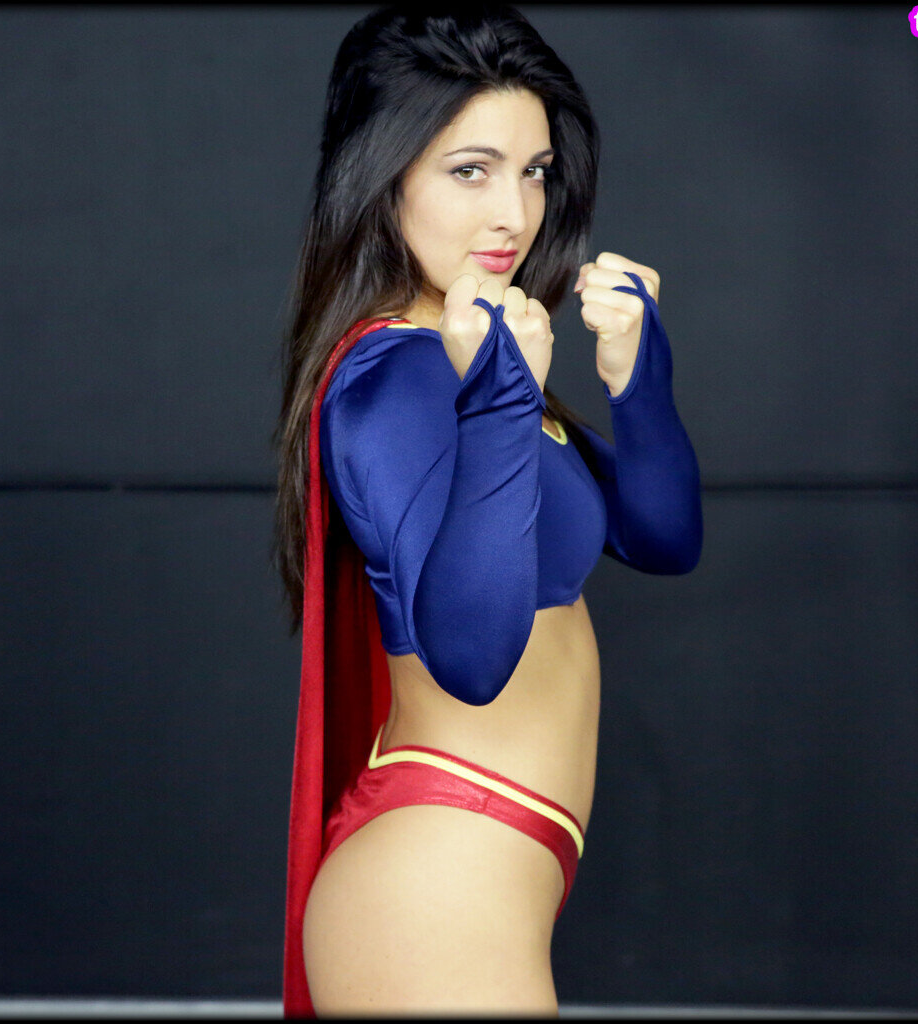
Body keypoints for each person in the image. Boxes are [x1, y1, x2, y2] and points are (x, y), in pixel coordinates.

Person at [272, 4, 703, 1015]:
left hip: (492, 863)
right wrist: (503, 403)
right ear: (383, 177)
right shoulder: (392, 379)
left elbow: (662, 538)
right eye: (471, 170)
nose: (514, 213)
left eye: (535, 171)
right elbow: (470, 659)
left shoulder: (469, 351)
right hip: (436, 880)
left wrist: (638, 377)